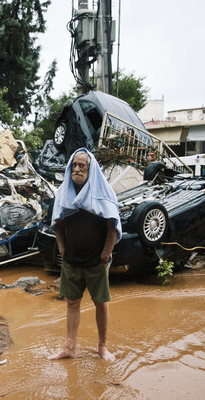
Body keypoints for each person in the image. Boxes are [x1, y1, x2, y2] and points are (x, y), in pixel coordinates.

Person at [48, 148, 121, 361]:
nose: (77, 169)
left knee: (101, 303)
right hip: (72, 259)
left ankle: (102, 346)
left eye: (82, 165)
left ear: (90, 169)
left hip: (96, 260)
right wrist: (62, 248)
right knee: (72, 302)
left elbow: (112, 225)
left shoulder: (103, 192)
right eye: (74, 165)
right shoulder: (64, 192)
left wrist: (106, 254)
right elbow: (58, 224)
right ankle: (70, 348)